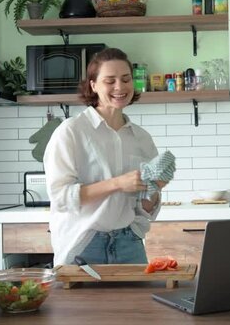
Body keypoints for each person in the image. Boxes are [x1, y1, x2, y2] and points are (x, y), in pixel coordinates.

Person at [43, 47, 166, 267]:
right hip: (83, 243)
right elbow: (61, 198)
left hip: (130, 244)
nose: (120, 87)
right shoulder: (71, 131)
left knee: (137, 303)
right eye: (110, 81)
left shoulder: (141, 138)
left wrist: (154, 188)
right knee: (81, 303)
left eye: (126, 79)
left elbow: (144, 208)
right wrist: (118, 183)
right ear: (94, 85)